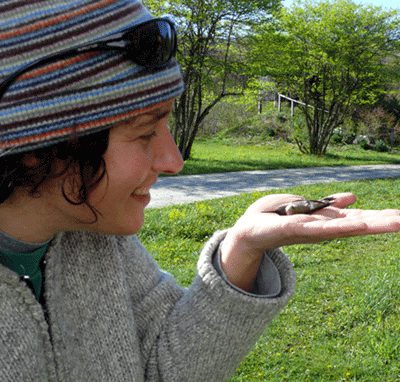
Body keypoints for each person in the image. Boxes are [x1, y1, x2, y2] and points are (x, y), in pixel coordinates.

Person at [0, 1, 399, 381]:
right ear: (38, 149)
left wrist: (242, 250)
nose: (174, 161)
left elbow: (166, 370)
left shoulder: (95, 236)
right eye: (143, 134)